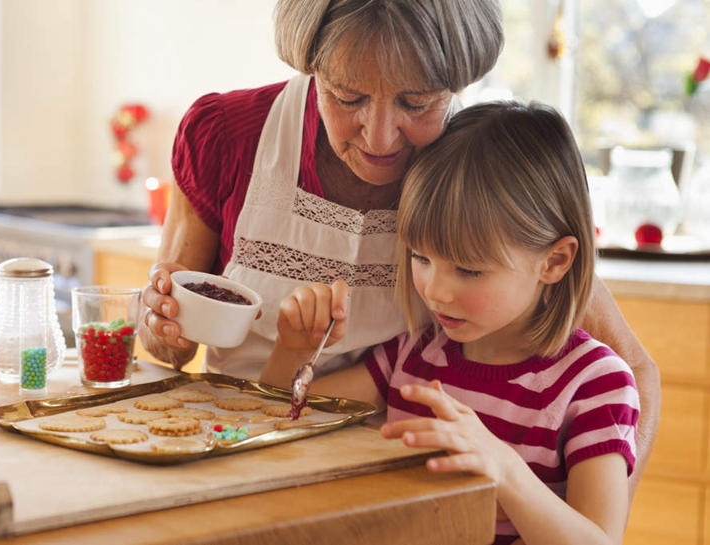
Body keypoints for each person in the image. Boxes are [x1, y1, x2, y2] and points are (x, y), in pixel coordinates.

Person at [138, 0, 658, 499]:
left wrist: (590, 523)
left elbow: (634, 371)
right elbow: (173, 346)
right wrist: (163, 323)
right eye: (347, 97)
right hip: (233, 455)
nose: (381, 137)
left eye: (416, 102)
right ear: (313, 67)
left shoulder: (481, 174)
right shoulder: (228, 135)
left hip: (394, 489)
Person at [260, 101, 639, 545]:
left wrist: (503, 468)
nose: (436, 291)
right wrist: (294, 352)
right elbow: (281, 419)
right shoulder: (415, 357)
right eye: (421, 257)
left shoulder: (593, 385)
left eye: (470, 270)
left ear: (554, 261)